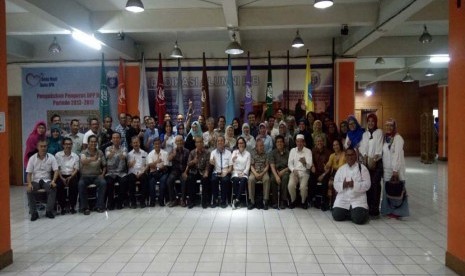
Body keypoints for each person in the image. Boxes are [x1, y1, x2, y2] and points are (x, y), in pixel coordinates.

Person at [332, 147, 371, 225]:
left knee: (359, 220)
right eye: (347, 155)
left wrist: (354, 184)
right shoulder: (341, 169)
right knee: (336, 216)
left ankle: (356, 213)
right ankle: (352, 213)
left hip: (358, 199)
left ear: (355, 156)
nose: (350, 157)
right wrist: (343, 184)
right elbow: (335, 184)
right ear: (345, 157)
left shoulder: (362, 169)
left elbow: (367, 185)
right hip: (343, 199)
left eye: (352, 155)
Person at [381, 119, 409, 219]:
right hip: (386, 169)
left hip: (396, 170)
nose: (389, 128)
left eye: (391, 126)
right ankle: (388, 211)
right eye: (387, 126)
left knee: (397, 189)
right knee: (388, 190)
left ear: (394, 127)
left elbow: (397, 154)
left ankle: (398, 212)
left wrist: (395, 170)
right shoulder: (385, 138)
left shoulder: (398, 138)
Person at [26, 139, 59, 221]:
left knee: (53, 188)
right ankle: (34, 213)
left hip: (46, 180)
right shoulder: (32, 158)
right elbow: (29, 173)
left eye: (45, 146)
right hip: (35, 180)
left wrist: (53, 181)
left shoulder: (51, 157)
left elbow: (56, 171)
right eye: (41, 146)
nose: (43, 148)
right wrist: (29, 184)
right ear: (37, 147)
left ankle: (49, 211)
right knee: (29, 190)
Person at [359, 113, 384, 217]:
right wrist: (365, 158)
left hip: (376, 162)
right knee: (367, 185)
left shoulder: (379, 132)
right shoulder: (364, 134)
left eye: (372, 121)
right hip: (366, 162)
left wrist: (374, 160)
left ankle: (375, 208)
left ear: (375, 122)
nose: (370, 123)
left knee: (375, 184)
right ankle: (368, 206)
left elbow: (379, 147)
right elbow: (362, 147)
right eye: (369, 121)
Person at [78, 135, 107, 215]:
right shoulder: (83, 152)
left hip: (97, 175)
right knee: (81, 184)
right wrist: (92, 159)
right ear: (88, 143)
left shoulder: (100, 152)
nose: (93, 143)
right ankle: (85, 207)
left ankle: (99, 206)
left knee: (103, 183)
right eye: (91, 142)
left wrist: (103, 174)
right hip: (85, 176)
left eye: (95, 142)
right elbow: (83, 161)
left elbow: (104, 165)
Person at [183, 136, 211, 208]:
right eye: (197, 142)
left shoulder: (207, 152)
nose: (199, 143)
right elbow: (188, 164)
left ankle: (204, 202)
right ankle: (192, 201)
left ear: (203, 143)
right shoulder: (192, 152)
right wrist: (193, 161)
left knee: (205, 180)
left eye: (200, 142)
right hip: (194, 171)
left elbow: (208, 164)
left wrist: (206, 172)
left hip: (203, 171)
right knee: (190, 179)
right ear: (195, 144)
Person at [104, 132, 129, 210]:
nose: (116, 139)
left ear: (120, 139)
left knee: (124, 182)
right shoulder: (107, 148)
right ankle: (110, 202)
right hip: (110, 172)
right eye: (114, 138)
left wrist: (116, 152)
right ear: (111, 139)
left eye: (117, 137)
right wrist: (115, 152)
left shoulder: (124, 148)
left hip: (121, 172)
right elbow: (109, 155)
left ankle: (120, 202)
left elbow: (123, 156)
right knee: (109, 183)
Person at [55, 137, 79, 215]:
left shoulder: (75, 156)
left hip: (71, 175)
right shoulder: (58, 155)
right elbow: (57, 169)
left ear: (72, 145)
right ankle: (62, 207)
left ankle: (72, 206)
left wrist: (71, 177)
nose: (68, 146)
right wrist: (61, 178)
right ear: (63, 145)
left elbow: (76, 169)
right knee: (59, 186)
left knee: (74, 185)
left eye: (69, 144)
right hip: (61, 175)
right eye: (66, 144)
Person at [288, 134, 313, 209]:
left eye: (301, 142)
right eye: (298, 141)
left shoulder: (308, 151)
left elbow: (309, 166)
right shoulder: (292, 150)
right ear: (296, 142)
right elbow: (289, 163)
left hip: (305, 172)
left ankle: (303, 202)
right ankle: (293, 201)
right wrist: (293, 170)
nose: (299, 143)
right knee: (291, 185)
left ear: (304, 142)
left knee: (303, 187)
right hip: (295, 172)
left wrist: (305, 163)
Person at [309, 135, 331, 210]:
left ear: (323, 142)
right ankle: (313, 199)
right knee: (311, 179)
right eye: (318, 141)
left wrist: (323, 175)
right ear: (315, 142)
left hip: (325, 173)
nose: (319, 142)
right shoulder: (313, 151)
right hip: (316, 172)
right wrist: (312, 166)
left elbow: (329, 167)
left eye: (321, 141)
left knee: (325, 182)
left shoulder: (328, 152)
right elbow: (311, 161)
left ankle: (324, 202)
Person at [166, 135, 190, 207]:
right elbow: (168, 159)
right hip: (175, 171)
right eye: (178, 141)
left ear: (183, 142)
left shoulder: (187, 151)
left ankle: (183, 200)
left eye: (180, 140)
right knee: (169, 180)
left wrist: (186, 172)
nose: (179, 142)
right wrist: (172, 155)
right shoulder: (173, 150)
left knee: (184, 180)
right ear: (175, 142)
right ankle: (173, 200)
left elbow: (188, 163)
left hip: (184, 170)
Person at [126, 136, 149, 209]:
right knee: (131, 179)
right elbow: (128, 166)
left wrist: (142, 172)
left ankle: (142, 201)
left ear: (139, 143)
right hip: (132, 173)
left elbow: (147, 165)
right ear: (131, 144)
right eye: (134, 143)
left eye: (137, 142)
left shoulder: (144, 153)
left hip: (142, 172)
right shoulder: (129, 154)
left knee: (145, 179)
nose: (136, 144)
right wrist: (130, 164)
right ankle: (133, 202)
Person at [209, 136, 232, 208]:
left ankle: (223, 200)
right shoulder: (213, 152)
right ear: (216, 143)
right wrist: (211, 161)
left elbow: (231, 167)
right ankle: (215, 200)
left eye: (222, 140)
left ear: (224, 142)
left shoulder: (228, 153)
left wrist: (226, 172)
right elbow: (211, 160)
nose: (220, 142)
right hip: (216, 172)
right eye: (218, 141)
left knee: (225, 180)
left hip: (225, 172)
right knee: (213, 180)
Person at [248, 138, 270, 210]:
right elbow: (251, 165)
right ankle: (252, 201)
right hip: (254, 171)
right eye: (259, 146)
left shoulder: (266, 154)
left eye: (262, 146)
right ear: (256, 147)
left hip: (263, 172)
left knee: (267, 179)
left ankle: (265, 201)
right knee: (250, 179)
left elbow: (267, 166)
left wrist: (262, 173)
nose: (261, 147)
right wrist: (256, 174)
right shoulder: (253, 153)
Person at [324, 140, 346, 208]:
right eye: (334, 145)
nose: (335, 146)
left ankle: (338, 204)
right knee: (329, 183)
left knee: (337, 185)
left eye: (337, 144)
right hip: (334, 173)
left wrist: (333, 166)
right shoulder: (332, 155)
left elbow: (342, 166)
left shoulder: (344, 154)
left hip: (343, 173)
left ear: (340, 145)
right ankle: (330, 203)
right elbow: (327, 166)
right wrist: (326, 166)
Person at [269, 135, 290, 209]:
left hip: (285, 171)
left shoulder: (288, 152)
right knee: (272, 179)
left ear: (284, 143)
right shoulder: (272, 152)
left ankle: (283, 200)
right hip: (275, 171)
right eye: (278, 142)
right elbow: (272, 165)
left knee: (285, 178)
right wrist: (277, 176)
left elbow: (290, 165)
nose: (279, 143)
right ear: (275, 143)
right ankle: (275, 201)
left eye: (281, 142)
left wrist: (283, 171)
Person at [147, 138, 169, 206]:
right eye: (155, 144)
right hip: (153, 173)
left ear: (160, 144)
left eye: (158, 144)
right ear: (153, 145)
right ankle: (152, 201)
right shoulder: (150, 154)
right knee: (151, 182)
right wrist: (157, 162)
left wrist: (156, 166)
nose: (157, 145)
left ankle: (161, 200)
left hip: (163, 172)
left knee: (162, 181)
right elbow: (150, 165)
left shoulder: (165, 153)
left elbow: (165, 166)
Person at [230, 137, 251, 209]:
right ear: (237, 144)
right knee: (235, 180)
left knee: (243, 180)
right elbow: (232, 163)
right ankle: (238, 200)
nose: (240, 144)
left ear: (244, 144)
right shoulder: (234, 152)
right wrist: (233, 158)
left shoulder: (248, 154)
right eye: (239, 143)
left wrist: (243, 173)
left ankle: (236, 200)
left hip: (244, 172)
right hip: (236, 171)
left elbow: (248, 166)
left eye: (242, 143)